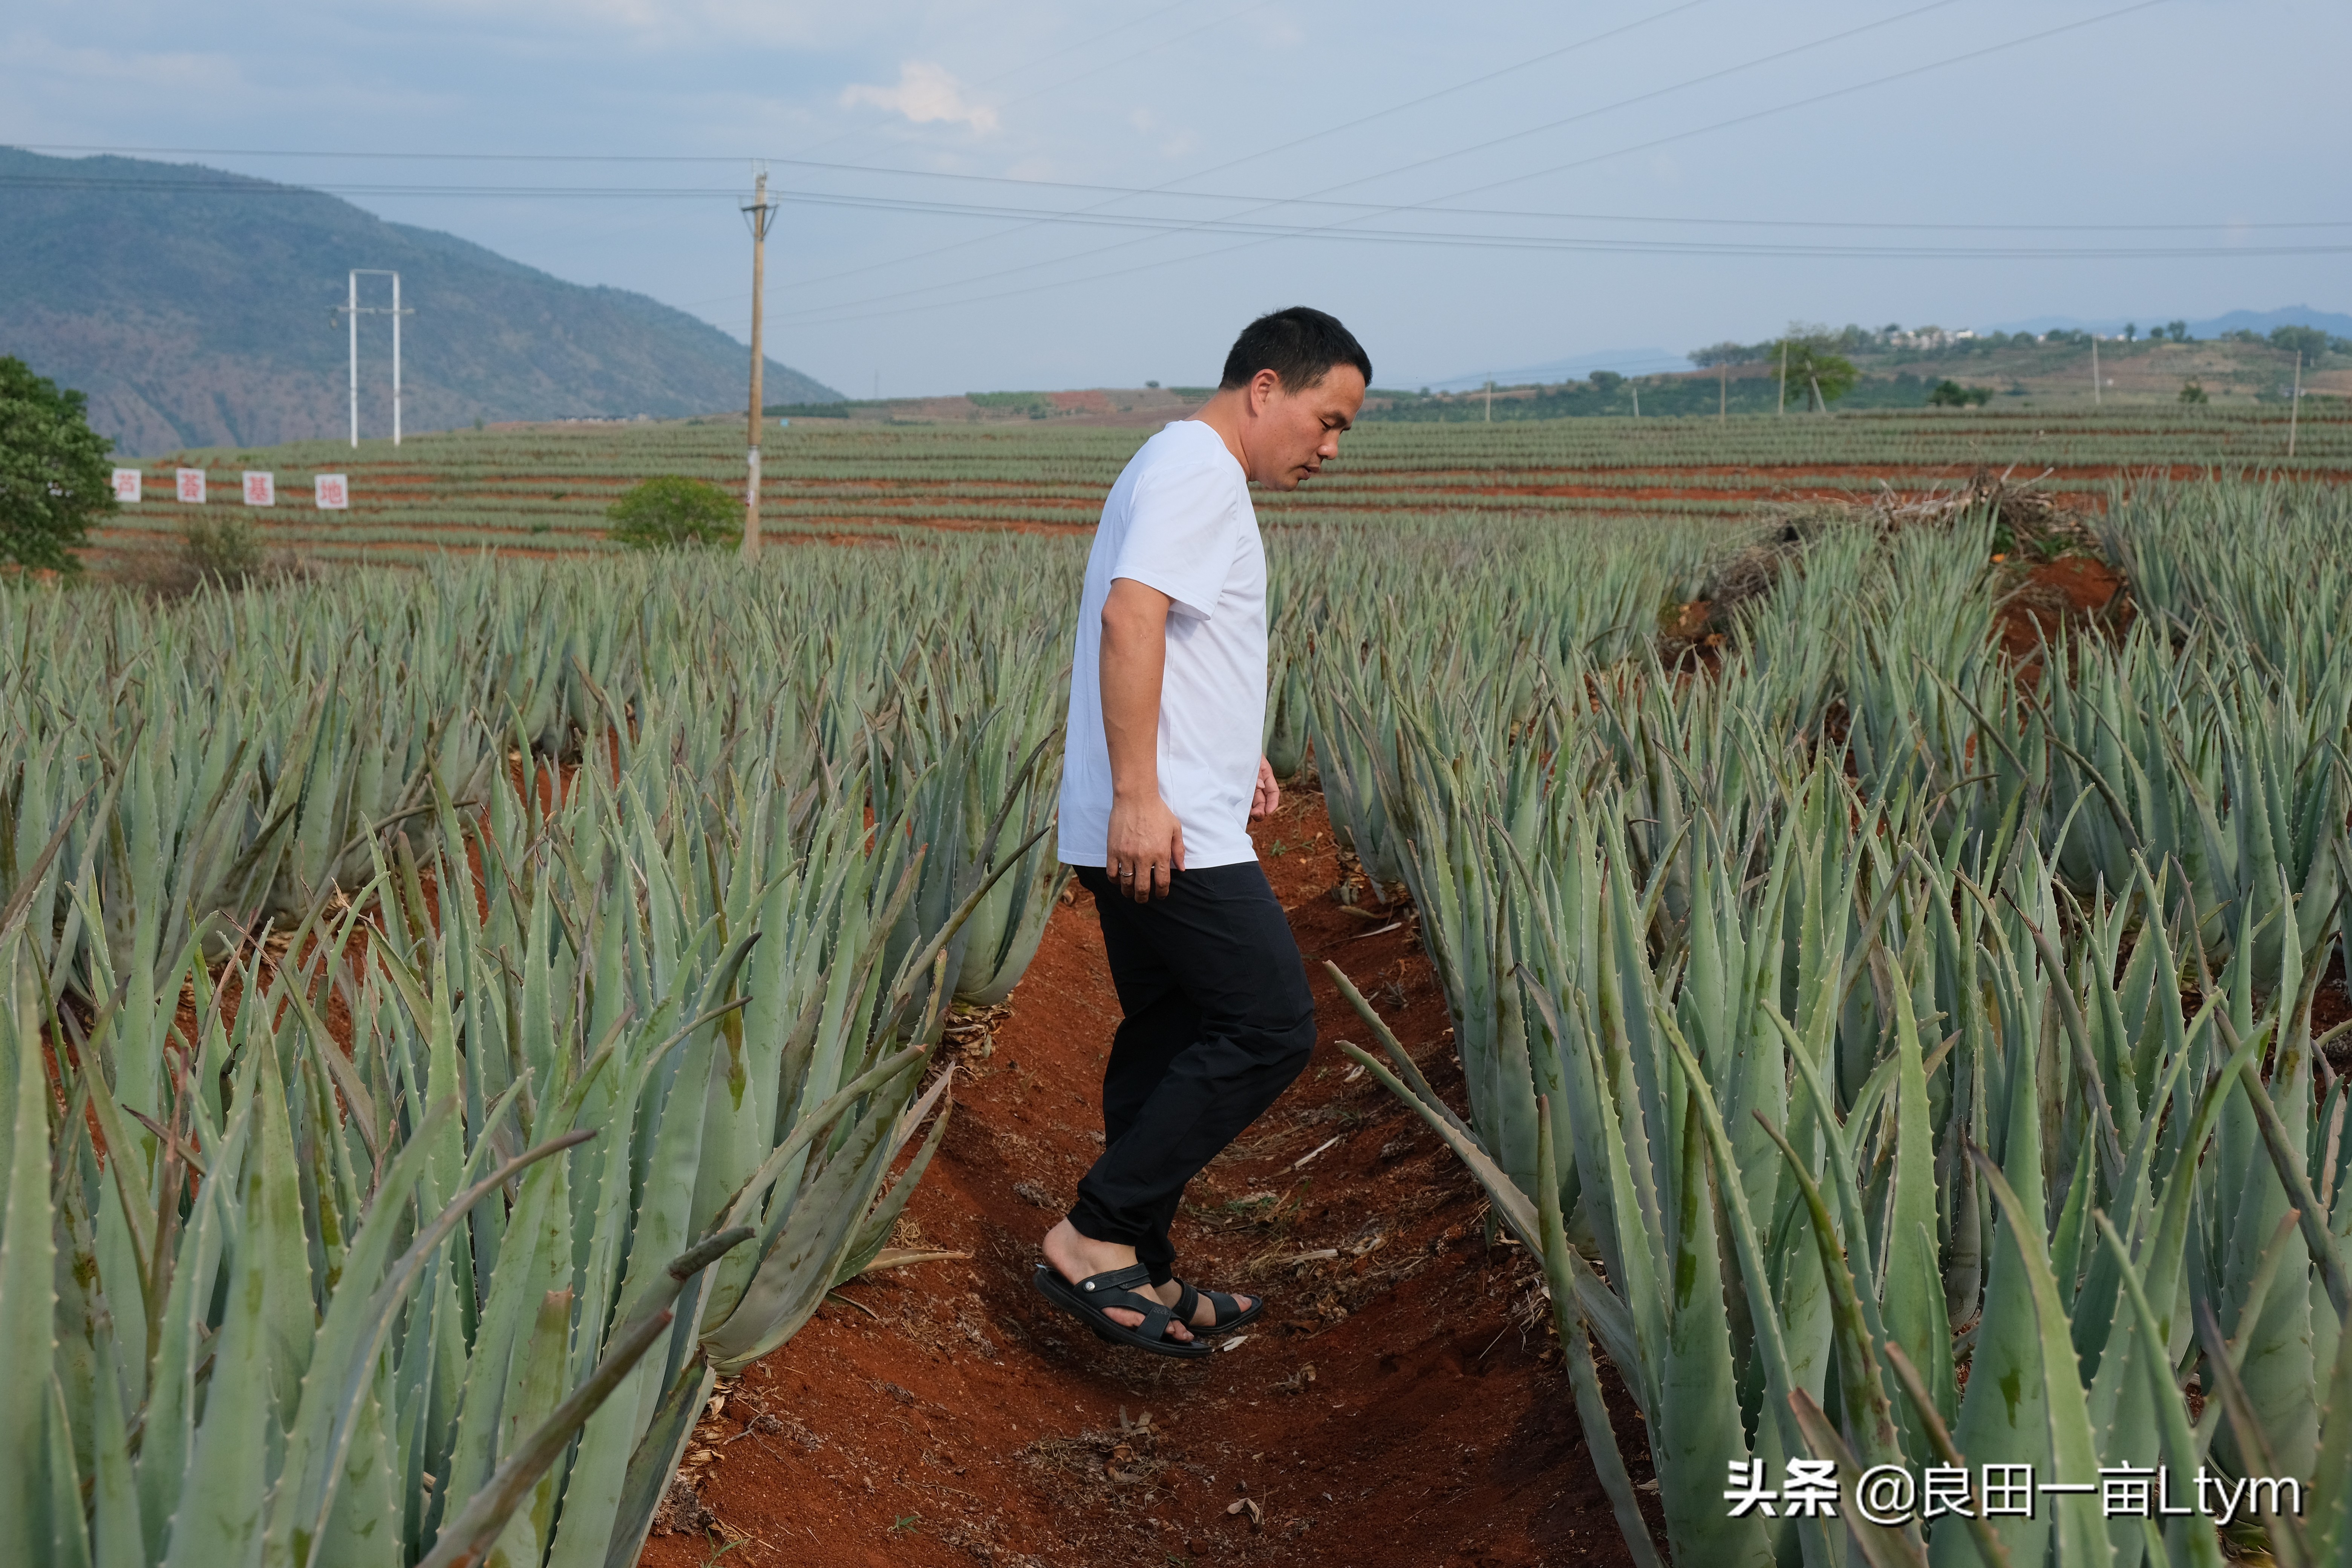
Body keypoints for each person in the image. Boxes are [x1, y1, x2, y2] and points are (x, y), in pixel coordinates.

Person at [1033, 306, 1370, 1356]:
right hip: (1163, 829)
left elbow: (1177, 635)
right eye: (1329, 420)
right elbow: (1132, 617)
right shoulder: (1198, 470)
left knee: (1171, 1034)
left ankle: (1149, 1267)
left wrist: (1231, 754)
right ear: (1266, 387)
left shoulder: (1180, 464)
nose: (1330, 448)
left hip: (1167, 810)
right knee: (1269, 1026)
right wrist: (1143, 792)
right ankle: (1093, 1236)